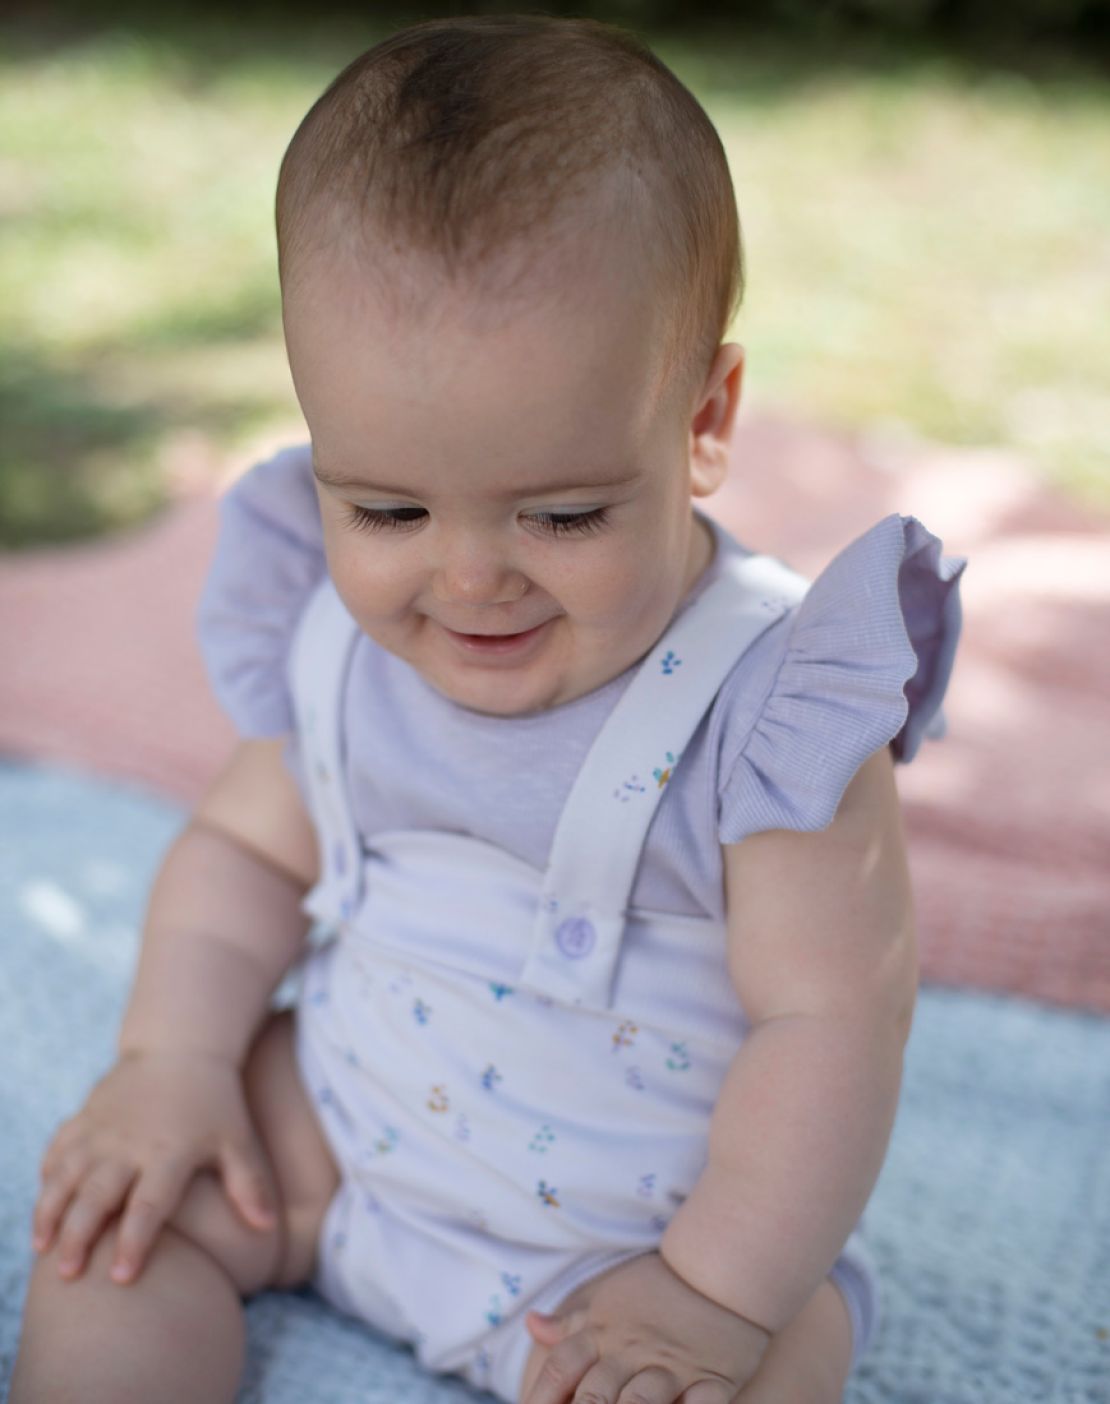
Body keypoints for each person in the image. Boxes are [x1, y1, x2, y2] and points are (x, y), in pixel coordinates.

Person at [11, 14, 967, 1404]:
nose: (468, 580)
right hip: (336, 1144)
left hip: (639, 1253)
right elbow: (240, 858)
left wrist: (713, 1293)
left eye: (563, 513)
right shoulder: (342, 647)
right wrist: (172, 1061)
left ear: (703, 418)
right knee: (116, 1230)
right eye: (385, 507)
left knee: (754, 1363)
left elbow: (834, 1024)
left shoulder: (766, 717)